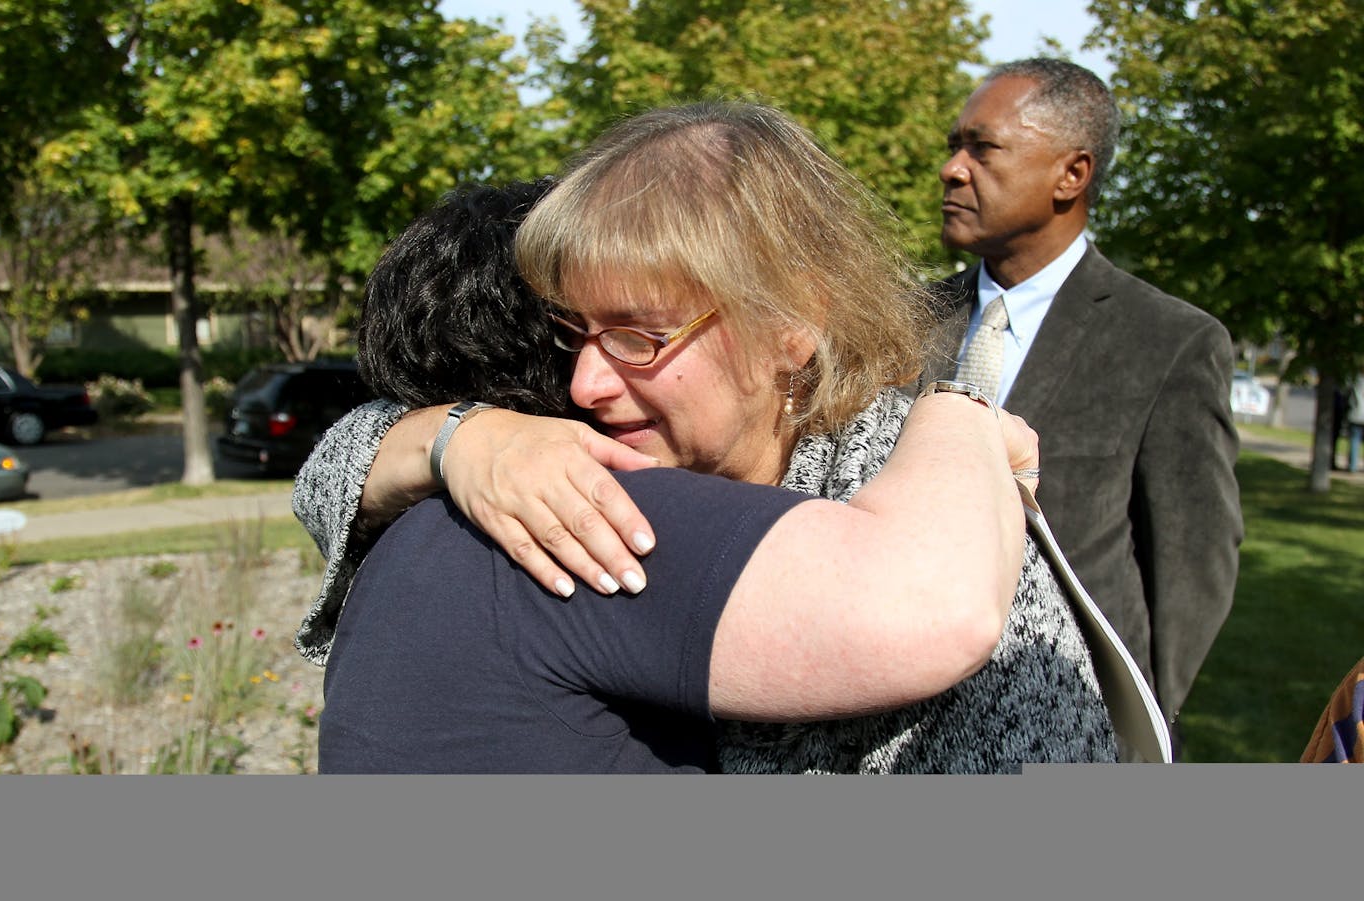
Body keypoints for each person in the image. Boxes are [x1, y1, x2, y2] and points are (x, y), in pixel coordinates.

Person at [295, 101, 1118, 773]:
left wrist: (961, 413)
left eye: (638, 335)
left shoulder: (929, 512)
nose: (584, 382)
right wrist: (460, 436)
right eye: (570, 330)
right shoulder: (568, 446)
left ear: (794, 319)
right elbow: (330, 471)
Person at [926, 58, 1243, 751]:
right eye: (954, 146)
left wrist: (1133, 723)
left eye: (982, 148)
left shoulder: (1170, 342)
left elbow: (1194, 565)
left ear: (1072, 175)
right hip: (900, 720)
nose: (952, 169)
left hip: (1074, 731)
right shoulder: (902, 323)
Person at [1344, 375, 1364, 473]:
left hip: (1356, 414)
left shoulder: (1356, 380)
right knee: (1355, 440)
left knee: (1354, 441)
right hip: (1358, 414)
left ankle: (1353, 466)